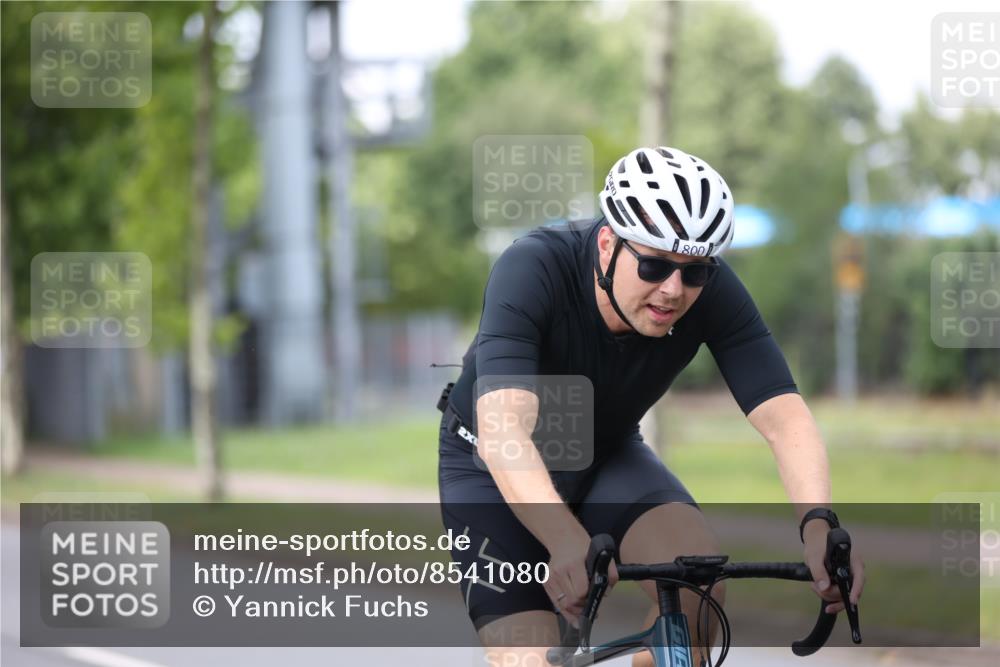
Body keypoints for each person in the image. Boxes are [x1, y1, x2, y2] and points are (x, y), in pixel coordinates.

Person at [437, 146, 866, 667]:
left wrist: (817, 524)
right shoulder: (532, 267)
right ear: (606, 244)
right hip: (490, 470)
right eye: (654, 264)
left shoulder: (708, 291)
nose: (673, 290)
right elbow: (505, 427)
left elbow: (784, 416)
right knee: (531, 658)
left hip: (606, 457)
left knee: (694, 589)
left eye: (694, 272)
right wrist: (565, 538)